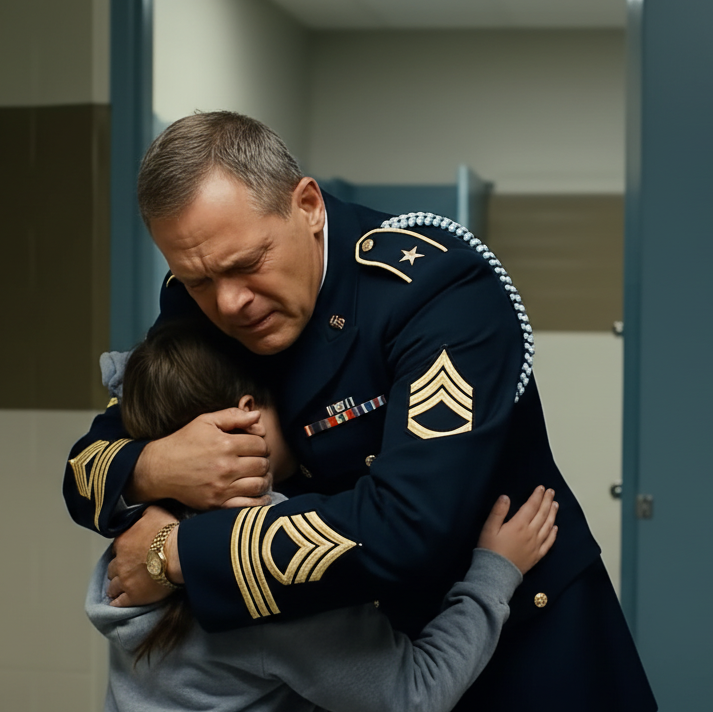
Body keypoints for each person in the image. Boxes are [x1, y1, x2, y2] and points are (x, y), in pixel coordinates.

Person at [64, 111, 656, 710]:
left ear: (309, 206)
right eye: (196, 280)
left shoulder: (436, 290)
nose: (229, 302)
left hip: (520, 631)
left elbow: (407, 528)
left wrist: (176, 554)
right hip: (355, 652)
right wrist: (158, 467)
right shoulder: (204, 294)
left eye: (248, 263)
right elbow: (85, 469)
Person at [88, 316, 559, 712]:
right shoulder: (264, 560)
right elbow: (415, 694)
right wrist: (495, 572)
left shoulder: (140, 521)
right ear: (247, 412)